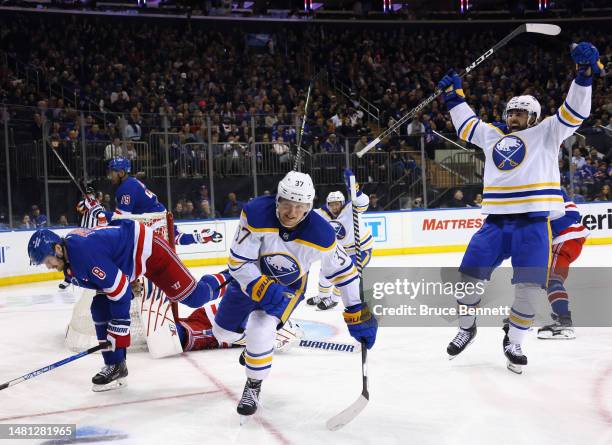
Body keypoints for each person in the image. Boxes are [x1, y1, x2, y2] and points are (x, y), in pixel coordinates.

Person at [438, 41, 598, 374]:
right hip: (495, 224)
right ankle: (467, 327)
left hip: (533, 225)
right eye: (511, 111)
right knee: (467, 281)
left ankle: (515, 339)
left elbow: (575, 110)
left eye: (520, 112)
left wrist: (584, 76)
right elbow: (466, 125)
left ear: (534, 116)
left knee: (528, 292)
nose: (513, 117)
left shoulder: (549, 131)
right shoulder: (492, 134)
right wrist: (454, 96)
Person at [211, 171, 377, 419]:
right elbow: (238, 262)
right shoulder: (256, 213)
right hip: (249, 279)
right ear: (277, 199)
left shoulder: (321, 234)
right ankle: (258, 348)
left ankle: (253, 385)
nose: (292, 213)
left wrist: (356, 310)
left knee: (260, 326)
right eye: (287, 204)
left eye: (300, 207)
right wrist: (261, 286)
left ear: (309, 206)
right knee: (222, 333)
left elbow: (344, 272)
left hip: (290, 287)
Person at [27, 221, 228, 391]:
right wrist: (125, 281)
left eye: (47, 260)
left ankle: (233, 276)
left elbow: (120, 292)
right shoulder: (71, 262)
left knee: (194, 297)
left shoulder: (82, 255)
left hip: (151, 252)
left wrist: (118, 330)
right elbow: (112, 278)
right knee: (99, 306)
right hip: (131, 257)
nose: (48, 266)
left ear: (58, 249)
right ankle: (115, 366)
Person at [80, 158, 221, 246]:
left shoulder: (127, 187)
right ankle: (203, 236)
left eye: (113, 171)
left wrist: (98, 211)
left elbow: (121, 219)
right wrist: (97, 208)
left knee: (170, 242)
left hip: (153, 220)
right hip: (157, 215)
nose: (110, 175)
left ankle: (203, 236)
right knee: (176, 239)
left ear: (122, 172)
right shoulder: (128, 184)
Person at [309, 171, 373, 310]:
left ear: (342, 203)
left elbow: (364, 203)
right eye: (331, 204)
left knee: (346, 275)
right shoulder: (322, 213)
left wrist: (357, 192)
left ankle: (333, 299)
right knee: (324, 272)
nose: (335, 207)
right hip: (340, 251)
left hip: (360, 250)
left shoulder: (351, 208)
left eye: (337, 204)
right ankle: (322, 296)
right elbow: (306, 215)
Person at [537, 191, 589, 339]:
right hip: (567, 240)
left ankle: (564, 321)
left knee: (552, 280)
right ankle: (526, 315)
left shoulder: (547, 187)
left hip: (564, 237)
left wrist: (550, 231)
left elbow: (572, 212)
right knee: (543, 279)